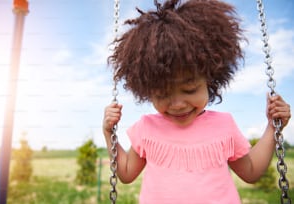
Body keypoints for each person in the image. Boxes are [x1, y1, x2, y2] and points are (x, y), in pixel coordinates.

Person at [102, 0, 291, 203]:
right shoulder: (147, 128)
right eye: (163, 95)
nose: (178, 104)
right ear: (148, 91)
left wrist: (273, 127)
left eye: (190, 90)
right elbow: (126, 173)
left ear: (210, 80)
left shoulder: (223, 125)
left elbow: (251, 171)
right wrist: (109, 133)